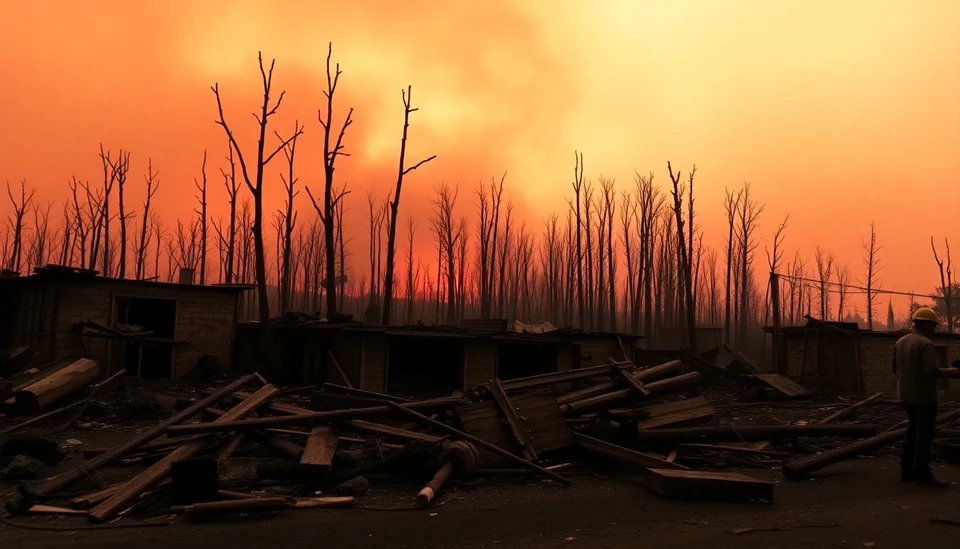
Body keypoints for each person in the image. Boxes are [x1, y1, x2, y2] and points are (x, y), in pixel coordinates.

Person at [893, 307, 960, 486]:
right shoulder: (925, 344)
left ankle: (907, 471)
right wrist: (953, 372)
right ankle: (924, 474)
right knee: (924, 434)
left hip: (905, 395)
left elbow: (894, 369)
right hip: (923, 397)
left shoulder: (901, 341)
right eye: (933, 325)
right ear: (925, 324)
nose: (935, 329)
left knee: (912, 430)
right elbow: (932, 371)